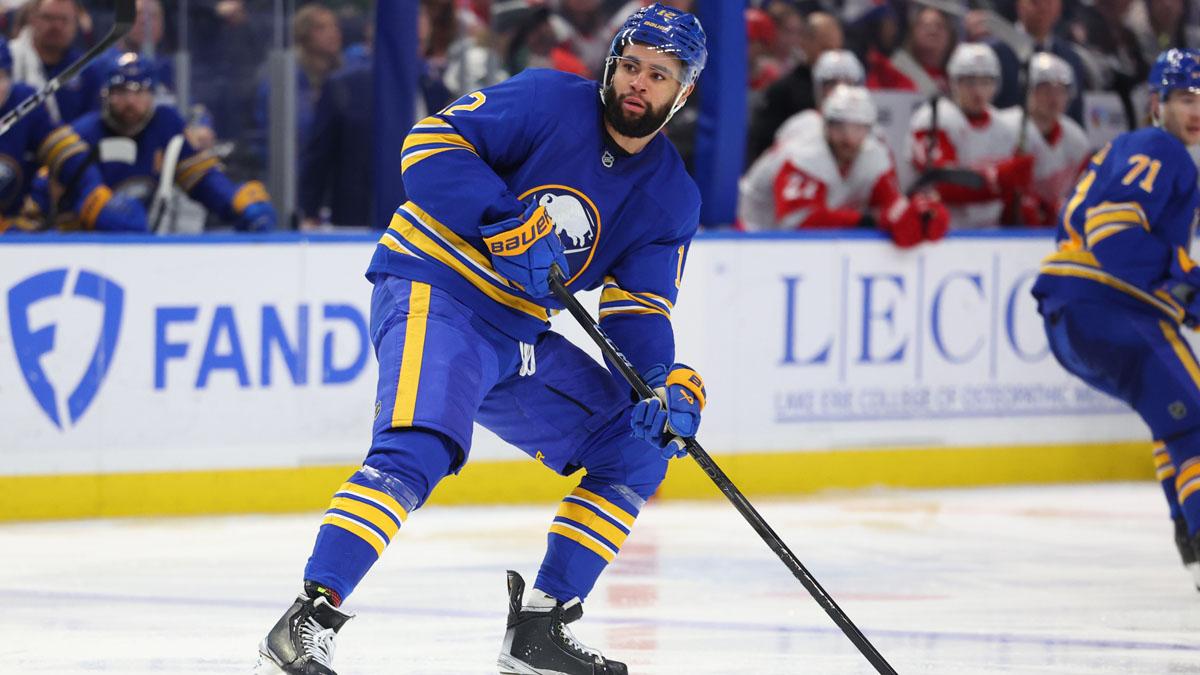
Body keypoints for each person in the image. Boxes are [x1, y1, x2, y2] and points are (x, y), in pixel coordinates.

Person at [254, 4, 708, 674]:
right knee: (418, 446)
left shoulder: (671, 195)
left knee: (636, 448)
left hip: (514, 332)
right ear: (612, 64)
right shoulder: (546, 97)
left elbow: (637, 308)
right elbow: (429, 147)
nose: (639, 83)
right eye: (632, 65)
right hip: (436, 287)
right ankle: (305, 619)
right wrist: (500, 222)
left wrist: (662, 380)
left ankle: (539, 629)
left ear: (684, 91)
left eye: (660, 75)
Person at [1030, 48, 1200, 591]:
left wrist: (1186, 295)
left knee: (1174, 416)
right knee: (1195, 420)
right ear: (1156, 103)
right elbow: (1112, 233)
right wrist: (1187, 279)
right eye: (1184, 97)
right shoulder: (1159, 147)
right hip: (1105, 307)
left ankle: (1188, 533)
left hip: (1072, 317)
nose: (1196, 109)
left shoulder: (1127, 149)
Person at [34, 53, 276, 232]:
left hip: (139, 248)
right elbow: (44, 188)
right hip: (77, 245)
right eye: (121, 92)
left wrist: (235, 201)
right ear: (105, 94)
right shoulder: (83, 132)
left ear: (153, 95)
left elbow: (201, 177)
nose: (131, 101)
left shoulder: (165, 124)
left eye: (140, 92)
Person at [739, 84, 949, 247]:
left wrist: (921, 214)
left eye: (858, 128)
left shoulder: (873, 152)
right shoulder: (804, 154)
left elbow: (892, 207)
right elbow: (798, 222)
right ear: (826, 126)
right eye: (840, 127)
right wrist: (869, 220)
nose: (849, 138)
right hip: (750, 230)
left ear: (869, 129)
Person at [0, 36, 140, 233]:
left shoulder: (22, 102)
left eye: (0, 76)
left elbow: (65, 153)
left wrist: (92, 192)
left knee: (118, 217)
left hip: (12, 225)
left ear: (9, 77)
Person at [906, 43, 1032, 230]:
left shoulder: (1005, 126)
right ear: (953, 82)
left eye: (986, 81)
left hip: (992, 233)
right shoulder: (933, 118)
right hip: (941, 233)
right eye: (969, 81)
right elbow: (941, 183)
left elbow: (1013, 197)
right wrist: (998, 180)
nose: (978, 91)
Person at [996, 52, 1090, 226]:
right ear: (1029, 91)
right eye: (1045, 90)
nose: (1053, 98)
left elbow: (1085, 191)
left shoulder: (1076, 138)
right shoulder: (1005, 127)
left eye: (1061, 91)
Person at [988, 0, 1090, 125]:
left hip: (1057, 140)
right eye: (1035, 2)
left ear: (1059, 8)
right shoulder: (994, 52)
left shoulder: (1071, 58)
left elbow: (1075, 116)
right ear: (1020, 4)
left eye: (1049, 3)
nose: (1042, 8)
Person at [8, 0, 108, 124]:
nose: (56, 26)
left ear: (76, 24)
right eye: (48, 18)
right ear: (32, 19)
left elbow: (95, 119)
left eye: (64, 19)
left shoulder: (87, 69)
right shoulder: (9, 61)